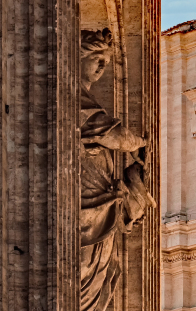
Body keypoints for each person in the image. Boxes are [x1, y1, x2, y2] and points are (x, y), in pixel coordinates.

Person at [79, 28, 153, 311]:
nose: (102, 67)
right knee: (83, 272)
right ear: (78, 57)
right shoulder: (72, 96)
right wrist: (142, 143)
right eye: (97, 59)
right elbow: (114, 135)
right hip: (88, 207)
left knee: (97, 276)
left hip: (101, 205)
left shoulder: (87, 99)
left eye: (106, 62)